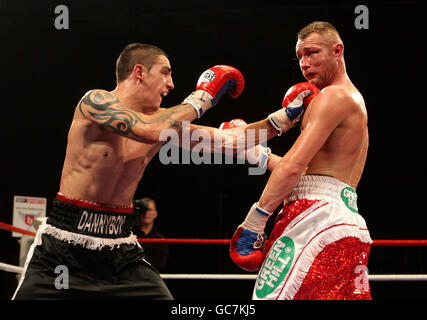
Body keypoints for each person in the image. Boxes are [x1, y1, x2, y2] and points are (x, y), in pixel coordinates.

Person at [12, 42, 307, 300]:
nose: (171, 84)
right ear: (139, 72)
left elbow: (228, 140)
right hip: (63, 246)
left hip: (119, 252)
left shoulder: (163, 122)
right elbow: (150, 130)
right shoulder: (95, 102)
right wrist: (202, 97)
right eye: (165, 72)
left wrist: (283, 118)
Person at [230, 21, 372, 300]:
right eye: (300, 57)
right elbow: (314, 172)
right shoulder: (351, 99)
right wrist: (258, 155)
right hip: (345, 218)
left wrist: (255, 221)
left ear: (337, 50)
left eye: (312, 53)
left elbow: (294, 168)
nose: (305, 64)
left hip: (315, 217)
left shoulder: (334, 96)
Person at [132, 198, 169, 272]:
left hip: (153, 277)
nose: (146, 213)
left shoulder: (161, 239)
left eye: (149, 210)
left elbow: (161, 264)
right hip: (132, 277)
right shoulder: (129, 236)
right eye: (143, 209)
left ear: (155, 214)